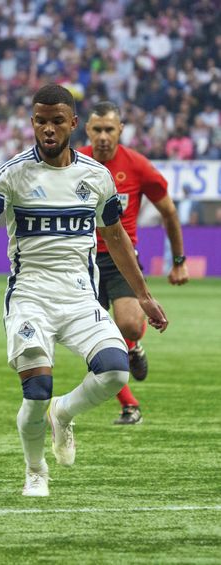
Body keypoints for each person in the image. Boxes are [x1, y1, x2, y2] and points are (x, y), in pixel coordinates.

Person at [0, 84, 168, 498]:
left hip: (79, 298)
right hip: (30, 297)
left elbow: (117, 238)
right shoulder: (12, 173)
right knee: (36, 390)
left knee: (114, 370)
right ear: (32, 123)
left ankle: (64, 413)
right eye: (40, 121)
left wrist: (143, 295)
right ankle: (36, 471)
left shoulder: (95, 177)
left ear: (73, 124)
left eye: (56, 121)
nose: (48, 129)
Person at [79, 101, 188, 425]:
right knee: (94, 341)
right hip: (81, 261)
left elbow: (168, 211)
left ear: (120, 131)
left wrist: (179, 260)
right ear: (87, 130)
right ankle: (129, 405)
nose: (102, 136)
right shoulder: (73, 163)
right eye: (96, 129)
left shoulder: (137, 166)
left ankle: (134, 344)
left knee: (127, 324)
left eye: (109, 130)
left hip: (121, 258)